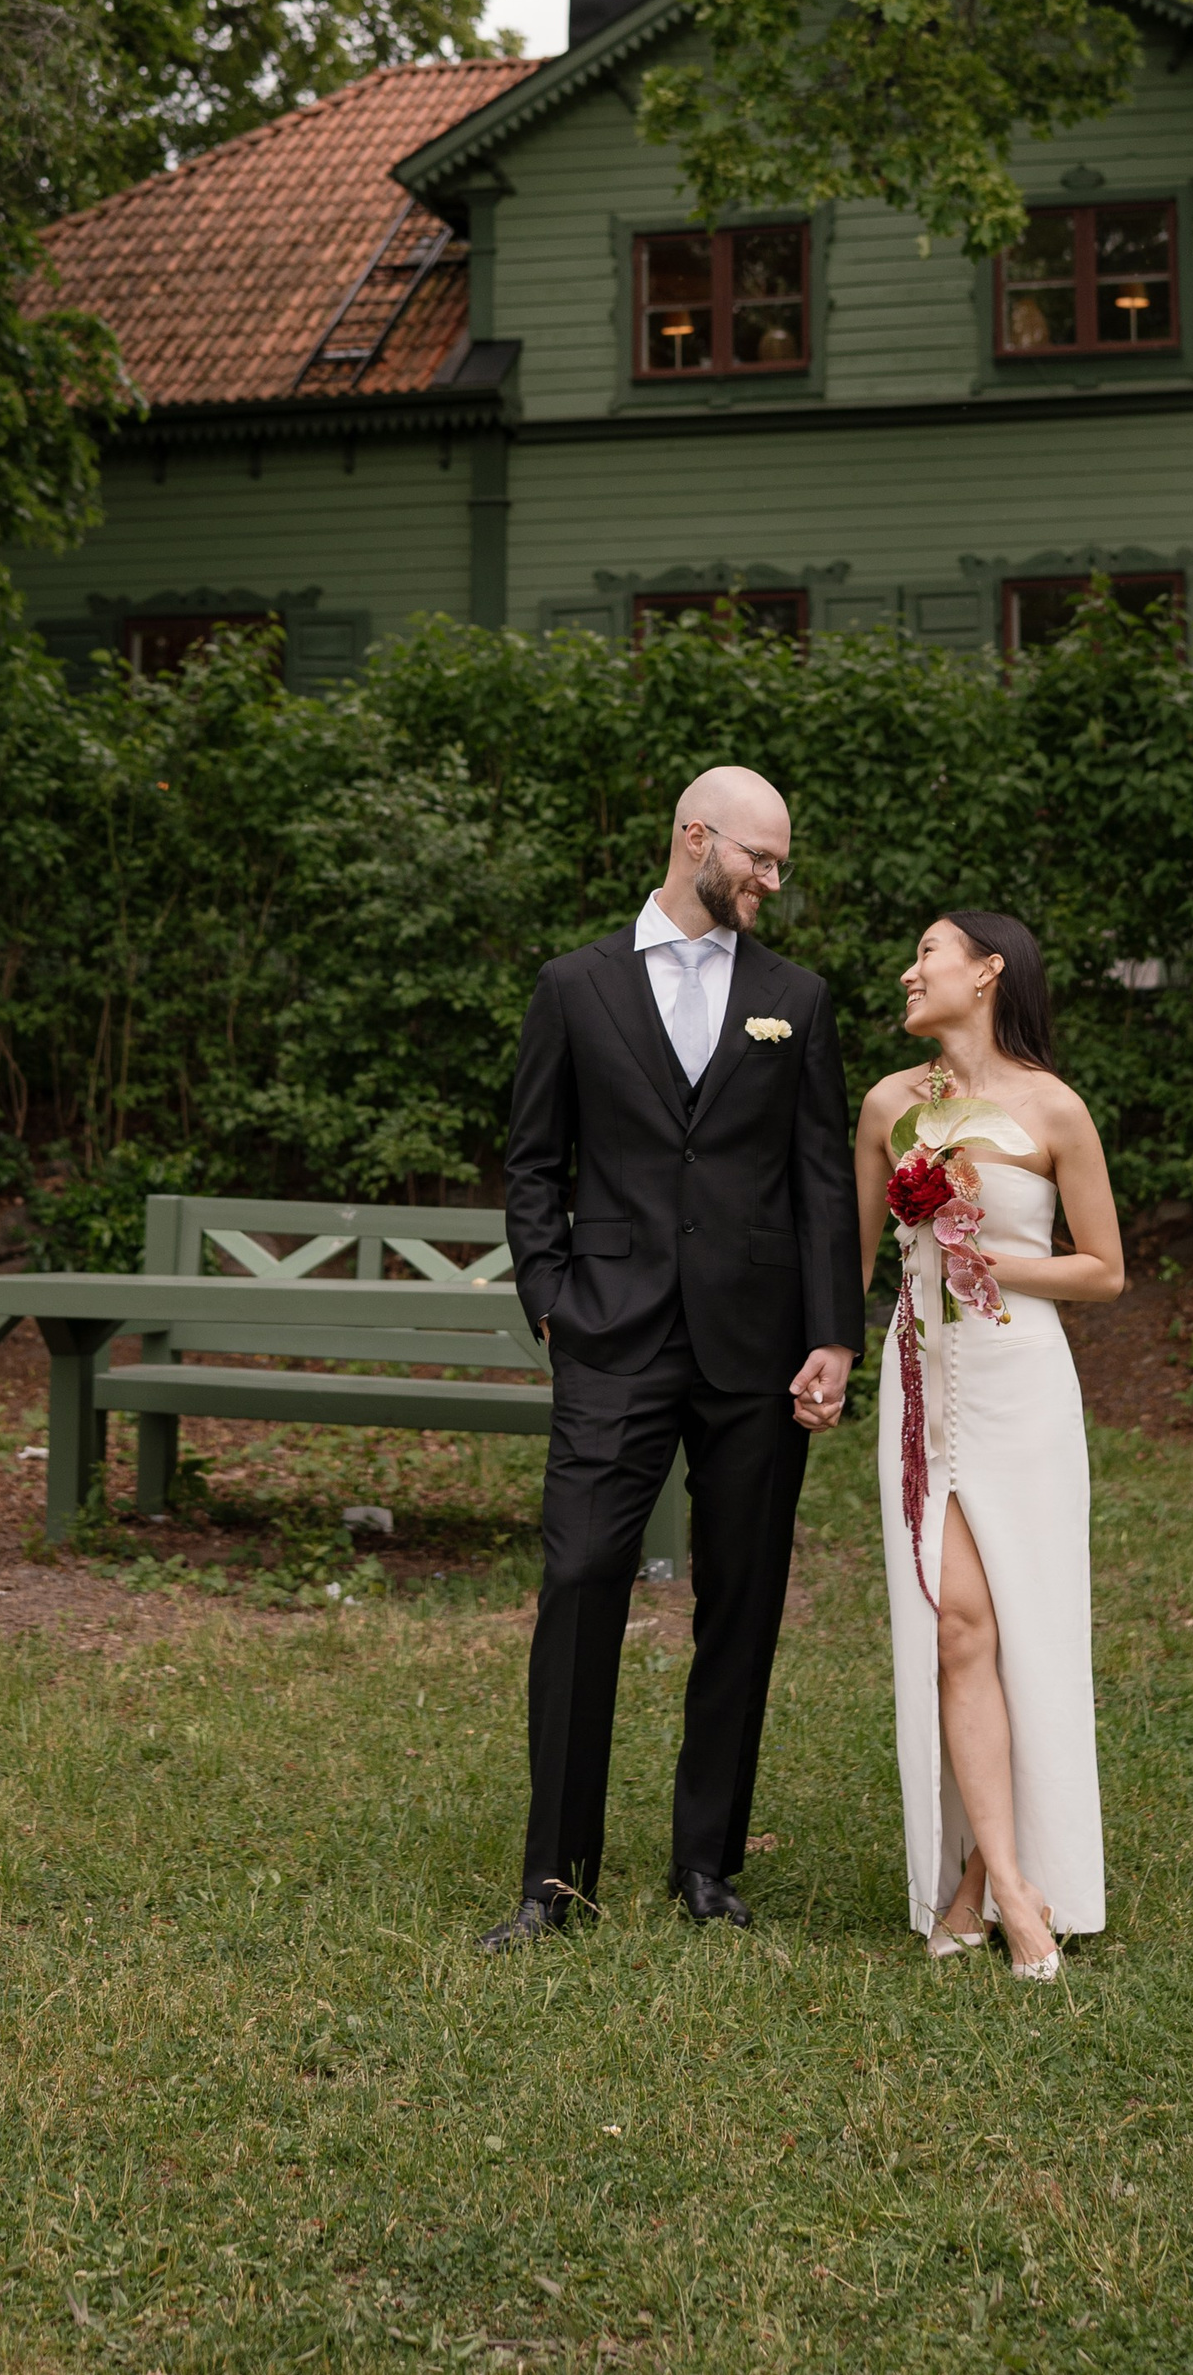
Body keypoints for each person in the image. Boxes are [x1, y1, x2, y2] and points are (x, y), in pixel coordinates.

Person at [484, 765, 860, 1950]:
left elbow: (815, 1177)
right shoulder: (573, 986)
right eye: (760, 855)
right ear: (696, 837)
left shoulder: (794, 996)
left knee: (740, 1599)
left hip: (754, 1349)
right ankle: (557, 1879)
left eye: (781, 862)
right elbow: (532, 1159)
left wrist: (832, 1331)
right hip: (613, 1336)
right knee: (582, 1578)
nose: (771, 877)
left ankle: (707, 1862)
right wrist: (552, 1297)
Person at [857, 911, 1124, 1979]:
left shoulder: (1054, 1106)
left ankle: (979, 1882)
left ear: (986, 970)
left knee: (1026, 1631)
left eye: (929, 952)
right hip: (922, 1380)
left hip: (1022, 1383)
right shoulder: (888, 1103)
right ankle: (1011, 1887)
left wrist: (990, 1259)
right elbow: (853, 1255)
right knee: (957, 1628)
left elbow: (1103, 1268)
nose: (910, 970)